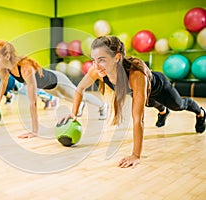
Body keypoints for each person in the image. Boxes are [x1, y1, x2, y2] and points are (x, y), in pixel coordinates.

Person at [60, 35, 206, 168]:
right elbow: (80, 88)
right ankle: (162, 111)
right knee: (150, 103)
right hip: (143, 93)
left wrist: (136, 155)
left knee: (178, 106)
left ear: (116, 57)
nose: (96, 65)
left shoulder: (136, 75)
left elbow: (138, 119)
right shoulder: (97, 70)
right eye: (94, 60)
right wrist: (74, 113)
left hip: (160, 88)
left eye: (102, 60)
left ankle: (200, 112)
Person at [0, 40, 108, 139]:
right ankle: (82, 105)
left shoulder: (25, 68)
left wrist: (34, 131)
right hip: (48, 88)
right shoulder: (6, 68)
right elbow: (2, 85)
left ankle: (103, 106)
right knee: (67, 98)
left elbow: (33, 102)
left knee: (80, 96)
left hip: (58, 81)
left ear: (7, 56)